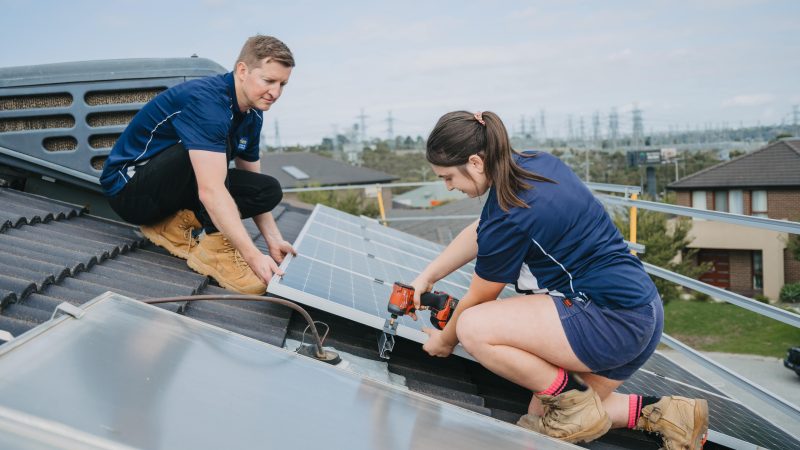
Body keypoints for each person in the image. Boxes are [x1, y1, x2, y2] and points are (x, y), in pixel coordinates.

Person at [409, 111, 708, 448]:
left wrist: (445, 341)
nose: (449, 186)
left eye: (448, 177)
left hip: (608, 321)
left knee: (473, 326)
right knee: (545, 421)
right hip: (642, 310)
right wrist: (428, 276)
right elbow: (482, 232)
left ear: (476, 162)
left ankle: (575, 405)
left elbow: (478, 299)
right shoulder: (535, 163)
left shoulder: (510, 215)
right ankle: (671, 415)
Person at [100, 35, 296, 295]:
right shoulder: (208, 103)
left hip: (173, 186)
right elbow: (211, 190)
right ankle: (216, 250)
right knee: (215, 147)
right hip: (131, 191)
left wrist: (273, 240)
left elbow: (250, 178)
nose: (275, 92)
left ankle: (170, 224)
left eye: (283, 84)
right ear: (242, 71)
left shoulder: (253, 113)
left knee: (267, 190)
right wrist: (251, 256)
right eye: (268, 81)